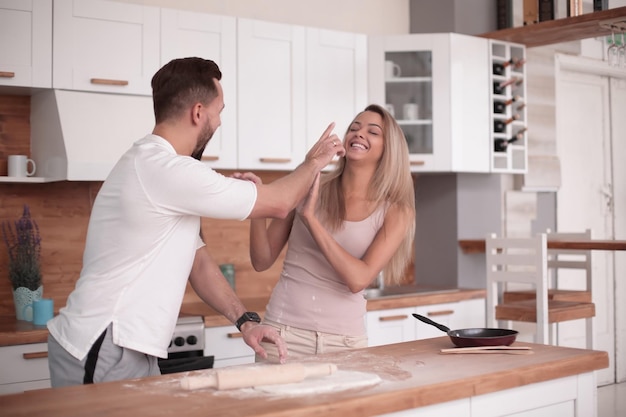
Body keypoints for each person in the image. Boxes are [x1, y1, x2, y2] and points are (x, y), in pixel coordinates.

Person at [46, 57, 345, 387]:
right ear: (198, 113)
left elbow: (199, 264)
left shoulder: (159, 169)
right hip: (104, 342)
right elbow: (279, 204)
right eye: (219, 111)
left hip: (127, 346)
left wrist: (245, 321)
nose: (218, 122)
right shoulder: (167, 170)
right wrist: (314, 162)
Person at [246, 104, 415, 361]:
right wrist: (256, 202)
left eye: (373, 132)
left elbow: (358, 279)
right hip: (283, 334)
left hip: (346, 342)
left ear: (388, 150)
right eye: (354, 128)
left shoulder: (396, 211)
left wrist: (311, 219)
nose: (359, 134)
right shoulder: (309, 184)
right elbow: (261, 260)